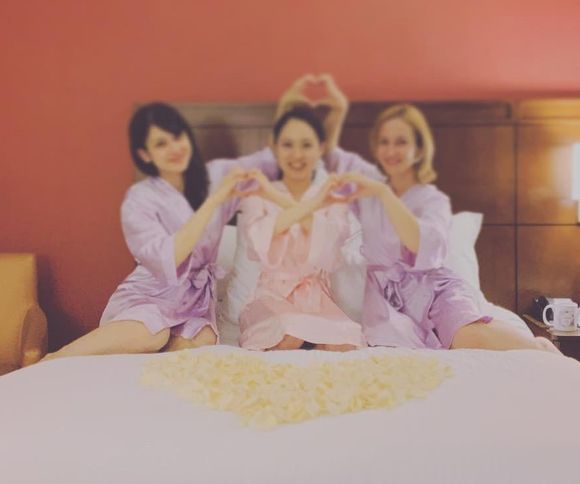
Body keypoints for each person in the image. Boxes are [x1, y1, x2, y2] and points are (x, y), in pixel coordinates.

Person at [280, 75, 558, 353]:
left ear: (418, 149)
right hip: (390, 307)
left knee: (470, 339)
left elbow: (420, 245)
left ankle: (541, 349)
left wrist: (384, 195)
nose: (391, 150)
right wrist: (337, 109)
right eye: (385, 142)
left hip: (435, 294)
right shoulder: (368, 186)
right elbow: (323, 157)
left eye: (401, 142)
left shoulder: (430, 201)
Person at [44, 103, 278, 360]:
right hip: (152, 292)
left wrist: (293, 109)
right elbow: (170, 258)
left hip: (195, 301)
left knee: (202, 340)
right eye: (161, 144)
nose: (174, 148)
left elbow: (274, 160)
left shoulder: (216, 176)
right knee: (153, 333)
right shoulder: (140, 199)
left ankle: (146, 371)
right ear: (145, 155)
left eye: (177, 137)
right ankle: (55, 358)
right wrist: (213, 202)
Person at [238, 107, 364, 351]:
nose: (297, 154)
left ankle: (313, 353)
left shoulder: (333, 197)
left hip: (317, 299)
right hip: (271, 299)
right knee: (287, 330)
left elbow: (330, 244)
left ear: (320, 148)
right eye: (288, 144)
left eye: (306, 145)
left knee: (349, 341)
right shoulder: (257, 195)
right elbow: (259, 242)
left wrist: (288, 199)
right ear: (274, 147)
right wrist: (311, 203)